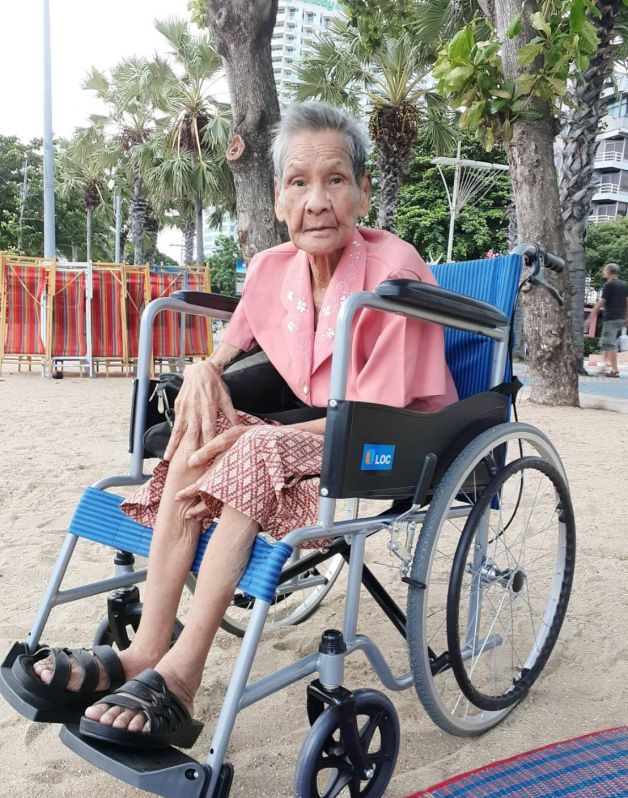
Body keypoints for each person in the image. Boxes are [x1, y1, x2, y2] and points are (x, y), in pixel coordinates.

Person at [12, 102, 457, 749]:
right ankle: (146, 651)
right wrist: (204, 370)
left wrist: (257, 436)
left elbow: (375, 413)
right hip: (318, 417)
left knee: (252, 447)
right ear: (278, 197)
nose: (316, 200)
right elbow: (232, 343)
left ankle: (182, 675)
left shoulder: (395, 271)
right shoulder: (274, 267)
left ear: (362, 192)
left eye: (335, 180)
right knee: (200, 431)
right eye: (298, 182)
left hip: (392, 436)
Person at [592, 263, 628, 378]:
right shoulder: (623, 284)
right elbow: (627, 302)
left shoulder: (609, 285)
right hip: (620, 318)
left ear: (609, 272)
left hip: (611, 318)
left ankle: (614, 369)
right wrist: (626, 317)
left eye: (604, 270)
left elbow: (602, 302)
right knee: (607, 343)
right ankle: (603, 366)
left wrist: (592, 313)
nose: (603, 272)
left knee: (611, 345)